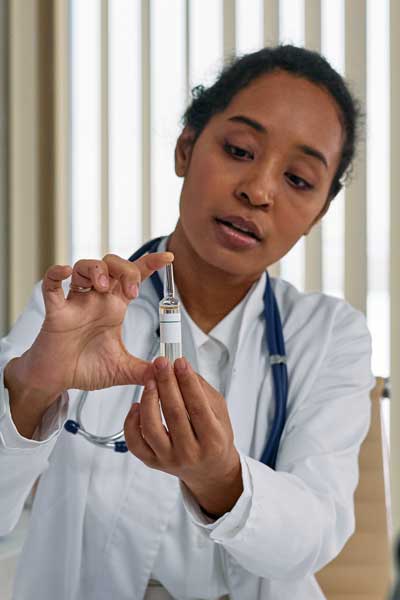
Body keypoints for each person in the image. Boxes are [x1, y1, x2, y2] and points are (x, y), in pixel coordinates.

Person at [0, 44, 374, 600]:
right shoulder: (74, 312)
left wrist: (222, 478)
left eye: (299, 180)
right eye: (240, 149)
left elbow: (314, 533)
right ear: (185, 147)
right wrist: (32, 390)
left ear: (319, 212)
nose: (259, 190)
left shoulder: (328, 337)